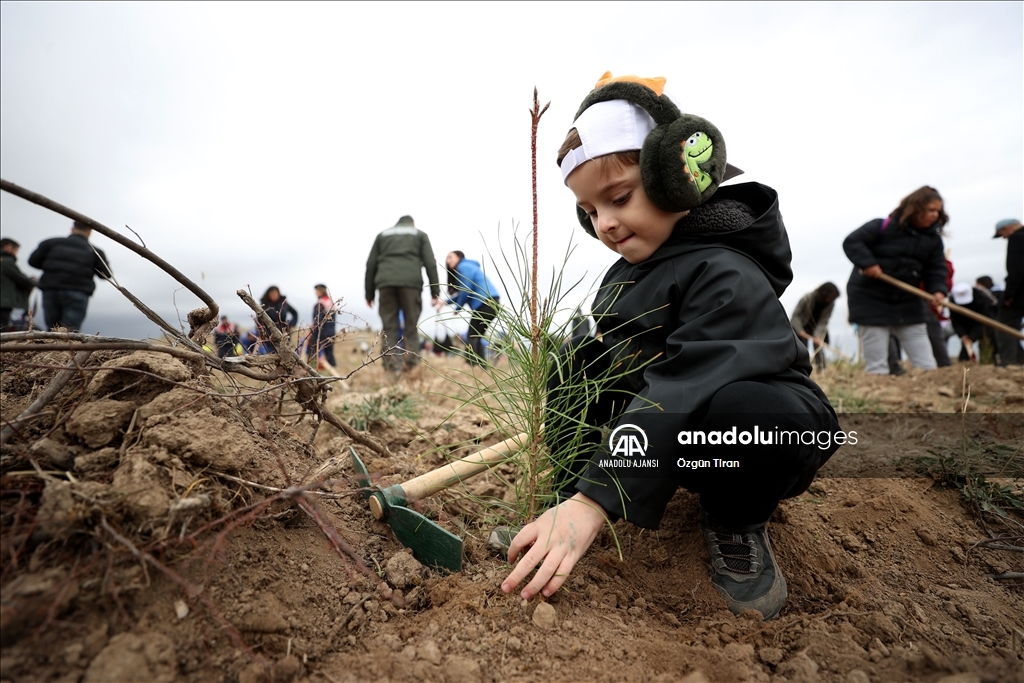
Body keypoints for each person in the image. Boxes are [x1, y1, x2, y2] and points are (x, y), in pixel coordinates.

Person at [499, 73, 841, 621]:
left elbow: (684, 384)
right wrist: (581, 493)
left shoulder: (725, 271)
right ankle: (561, 515)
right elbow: (624, 380)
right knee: (578, 359)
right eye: (589, 211)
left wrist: (598, 496)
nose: (605, 223)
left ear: (676, 179)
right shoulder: (628, 275)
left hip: (746, 439)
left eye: (618, 198)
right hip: (672, 438)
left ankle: (734, 522)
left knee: (757, 414)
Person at [842, 186, 949, 375]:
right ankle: (879, 386)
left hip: (907, 297)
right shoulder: (881, 227)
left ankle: (931, 384)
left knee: (923, 354)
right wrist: (868, 263)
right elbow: (852, 242)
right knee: (877, 354)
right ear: (915, 209)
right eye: (931, 210)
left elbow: (936, 269)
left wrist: (938, 291)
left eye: (938, 211)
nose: (935, 215)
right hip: (870, 296)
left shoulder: (933, 241)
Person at [364, 215, 440, 373]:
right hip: (411, 283)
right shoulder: (419, 234)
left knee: (389, 328)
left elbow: (371, 264)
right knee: (411, 326)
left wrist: (369, 293)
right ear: (412, 223)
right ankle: (410, 367)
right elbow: (430, 263)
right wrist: (435, 291)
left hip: (385, 283)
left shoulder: (382, 235)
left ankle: (391, 368)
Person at [27, 221, 112, 332]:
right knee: (70, 331)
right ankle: (67, 348)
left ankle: (52, 348)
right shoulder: (95, 251)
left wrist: (53, 266)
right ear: (89, 232)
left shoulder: (50, 243)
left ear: (72, 229)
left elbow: (33, 262)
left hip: (51, 289)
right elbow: (106, 274)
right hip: (78, 292)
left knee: (52, 329)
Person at [436, 250, 501, 365]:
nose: (448, 260)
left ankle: (472, 365)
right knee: (476, 335)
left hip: (485, 303)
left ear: (459, 257)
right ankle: (481, 366)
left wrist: (458, 308)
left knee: (472, 335)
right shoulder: (469, 267)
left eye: (450, 257)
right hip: (492, 302)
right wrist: (445, 302)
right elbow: (464, 292)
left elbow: (465, 290)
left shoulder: (463, 266)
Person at [992, 219, 1023, 366]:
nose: (1004, 238)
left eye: (1002, 234)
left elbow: (1016, 269)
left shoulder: (1017, 238)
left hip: (1020, 293)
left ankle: (1010, 363)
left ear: (1007, 228)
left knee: (1004, 325)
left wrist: (1009, 295)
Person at [789, 282, 839, 372]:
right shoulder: (807, 298)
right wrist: (800, 330)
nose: (829, 300)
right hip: (802, 326)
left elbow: (823, 321)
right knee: (801, 348)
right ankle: (801, 369)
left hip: (817, 328)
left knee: (818, 345)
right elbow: (795, 315)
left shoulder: (830, 304)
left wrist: (818, 336)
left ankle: (821, 369)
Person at [948, 282, 996, 362]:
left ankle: (987, 361)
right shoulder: (952, 300)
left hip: (985, 321)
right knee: (966, 346)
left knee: (987, 340)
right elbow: (955, 320)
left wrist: (972, 337)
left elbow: (983, 321)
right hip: (964, 322)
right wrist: (962, 335)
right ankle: (965, 361)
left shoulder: (981, 297)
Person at [0, 238, 38, 330]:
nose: (16, 254)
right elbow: (21, 279)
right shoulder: (6, 261)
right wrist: (34, 282)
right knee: (3, 327)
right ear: (8, 247)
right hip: (3, 303)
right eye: (16, 250)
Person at [258, 286, 298, 353]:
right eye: (272, 294)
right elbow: (259, 319)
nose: (274, 296)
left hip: (284, 334)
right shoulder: (264, 305)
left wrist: (291, 324)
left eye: (275, 294)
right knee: (271, 354)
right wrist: (262, 332)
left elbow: (295, 313)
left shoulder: (284, 303)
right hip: (269, 335)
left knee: (284, 354)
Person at [310, 283, 337, 369]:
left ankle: (313, 370)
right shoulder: (331, 302)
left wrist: (313, 332)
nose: (315, 292)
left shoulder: (321, 303)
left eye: (317, 291)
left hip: (321, 332)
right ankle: (332, 370)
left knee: (314, 351)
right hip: (331, 332)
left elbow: (318, 320)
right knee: (329, 353)